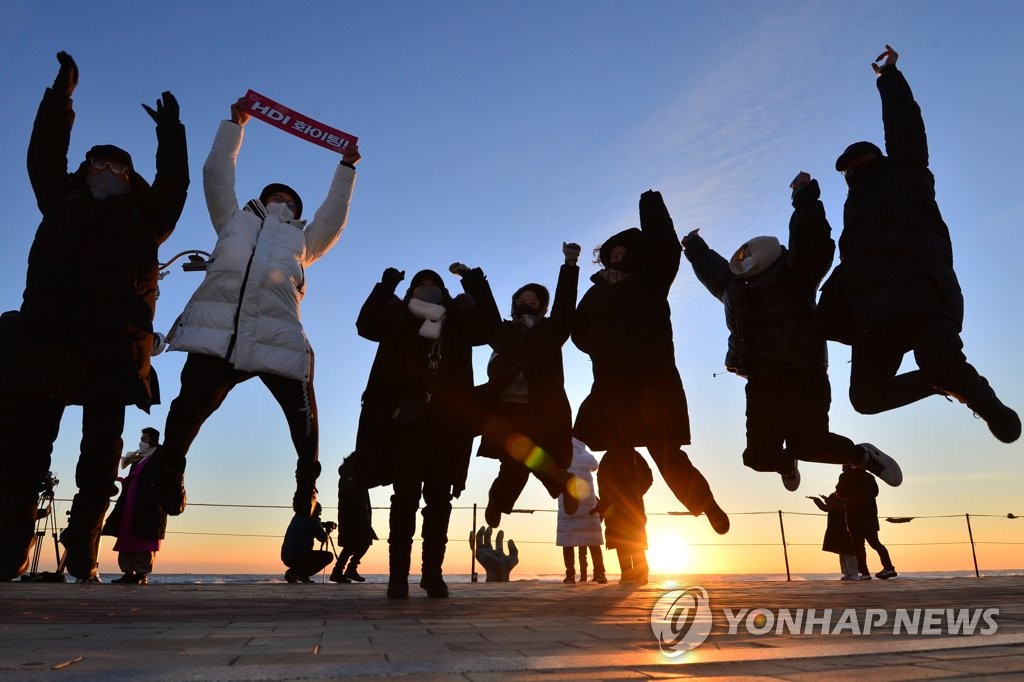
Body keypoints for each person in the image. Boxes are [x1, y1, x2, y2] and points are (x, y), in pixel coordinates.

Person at [0, 52, 188, 582]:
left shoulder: (149, 221)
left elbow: (175, 184)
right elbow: (42, 153)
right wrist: (61, 97)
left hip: (115, 348)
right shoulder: (59, 201)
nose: (107, 171)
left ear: (131, 178)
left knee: (101, 465)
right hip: (46, 342)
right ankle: (8, 551)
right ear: (83, 171)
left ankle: (82, 556)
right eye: (98, 164)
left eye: (119, 167)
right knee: (24, 455)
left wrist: (172, 133)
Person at [157, 96, 361, 521]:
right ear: (261, 199)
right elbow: (217, 177)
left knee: (305, 426)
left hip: (278, 337)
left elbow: (334, 217)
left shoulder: (304, 243)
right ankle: (170, 471)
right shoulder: (233, 220)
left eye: (289, 198)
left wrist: (346, 169)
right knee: (183, 415)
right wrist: (236, 126)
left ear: (297, 213)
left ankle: (307, 486)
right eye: (275, 194)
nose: (281, 200)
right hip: (218, 335)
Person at [820, 44, 1019, 444]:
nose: (851, 172)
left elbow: (904, 126)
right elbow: (852, 262)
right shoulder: (852, 210)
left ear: (872, 160)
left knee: (942, 362)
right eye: (846, 169)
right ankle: (937, 383)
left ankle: (987, 405)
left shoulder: (906, 172)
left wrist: (889, 78)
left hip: (922, 297)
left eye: (856, 164)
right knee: (865, 398)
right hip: (876, 318)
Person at [682, 173, 902, 490]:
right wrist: (694, 246)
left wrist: (804, 197)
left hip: (804, 371)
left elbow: (811, 242)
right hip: (761, 379)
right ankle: (786, 463)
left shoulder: (794, 274)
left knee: (808, 444)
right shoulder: (732, 285)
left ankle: (863, 456)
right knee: (757, 457)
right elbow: (709, 266)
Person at [573, 190, 729, 534]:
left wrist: (651, 205)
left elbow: (667, 251)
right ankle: (631, 550)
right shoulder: (595, 292)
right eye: (612, 253)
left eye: (623, 253)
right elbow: (578, 332)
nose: (616, 257)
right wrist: (600, 347)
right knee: (617, 463)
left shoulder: (650, 282)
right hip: (612, 388)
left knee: (667, 454)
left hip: (655, 384)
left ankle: (705, 504)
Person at [355, 265, 499, 599]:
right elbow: (365, 325)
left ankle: (432, 574)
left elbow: (490, 327)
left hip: (448, 423)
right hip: (404, 420)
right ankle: (397, 577)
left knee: (439, 499)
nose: (428, 289)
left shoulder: (459, 321)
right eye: (420, 285)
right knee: (404, 499)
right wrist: (387, 283)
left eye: (435, 285)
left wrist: (475, 281)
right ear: (409, 293)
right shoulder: (398, 318)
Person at [477, 242, 583, 529]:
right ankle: (560, 484)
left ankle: (502, 499)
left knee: (531, 459)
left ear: (542, 308)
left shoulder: (551, 332)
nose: (527, 304)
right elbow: (486, 315)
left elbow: (565, 308)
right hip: (507, 410)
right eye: (522, 301)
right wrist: (473, 279)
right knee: (516, 463)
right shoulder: (504, 331)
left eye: (534, 302)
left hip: (541, 411)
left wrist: (570, 265)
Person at [101, 428, 167, 585]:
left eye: (144, 439)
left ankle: (142, 573)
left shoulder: (159, 455)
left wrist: (156, 498)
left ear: (152, 439)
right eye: (141, 438)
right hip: (131, 500)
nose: (141, 441)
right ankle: (128, 572)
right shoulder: (139, 457)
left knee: (144, 539)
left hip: (147, 503)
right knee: (126, 535)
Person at [594, 447, 652, 585]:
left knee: (623, 541)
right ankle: (638, 574)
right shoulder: (634, 455)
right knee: (634, 539)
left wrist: (605, 502)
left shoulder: (607, 459)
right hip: (632, 506)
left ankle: (630, 574)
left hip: (617, 507)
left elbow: (602, 484)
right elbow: (648, 477)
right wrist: (637, 493)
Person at [556, 438, 606, 584]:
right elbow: (595, 465)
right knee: (593, 540)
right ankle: (600, 573)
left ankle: (570, 575)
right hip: (588, 504)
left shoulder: (561, 456)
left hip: (568, 503)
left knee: (567, 539)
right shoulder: (586, 456)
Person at [837, 464, 897, 580]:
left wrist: (845, 478)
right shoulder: (869, 477)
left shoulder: (845, 476)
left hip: (854, 516)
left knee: (859, 546)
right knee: (875, 543)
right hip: (869, 516)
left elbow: (840, 494)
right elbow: (875, 493)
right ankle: (889, 567)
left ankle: (865, 573)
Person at [329, 453, 378, 583]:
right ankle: (346, 570)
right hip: (353, 516)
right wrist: (361, 506)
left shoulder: (353, 475)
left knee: (354, 544)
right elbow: (350, 495)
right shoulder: (350, 475)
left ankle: (342, 570)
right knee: (359, 542)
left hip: (355, 515)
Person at [809, 492, 859, 581]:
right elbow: (827, 508)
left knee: (849, 551)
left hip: (845, 528)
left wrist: (826, 500)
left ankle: (854, 573)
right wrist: (817, 500)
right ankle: (847, 573)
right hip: (836, 528)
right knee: (842, 551)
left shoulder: (845, 496)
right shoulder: (834, 497)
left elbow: (837, 506)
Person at [281, 502, 335, 583]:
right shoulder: (313, 518)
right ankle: (301, 574)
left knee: (303, 557)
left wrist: (323, 524)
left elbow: (311, 524)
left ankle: (293, 573)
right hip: (300, 556)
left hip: (287, 557)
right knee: (328, 556)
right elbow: (323, 538)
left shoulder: (297, 517)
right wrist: (328, 531)